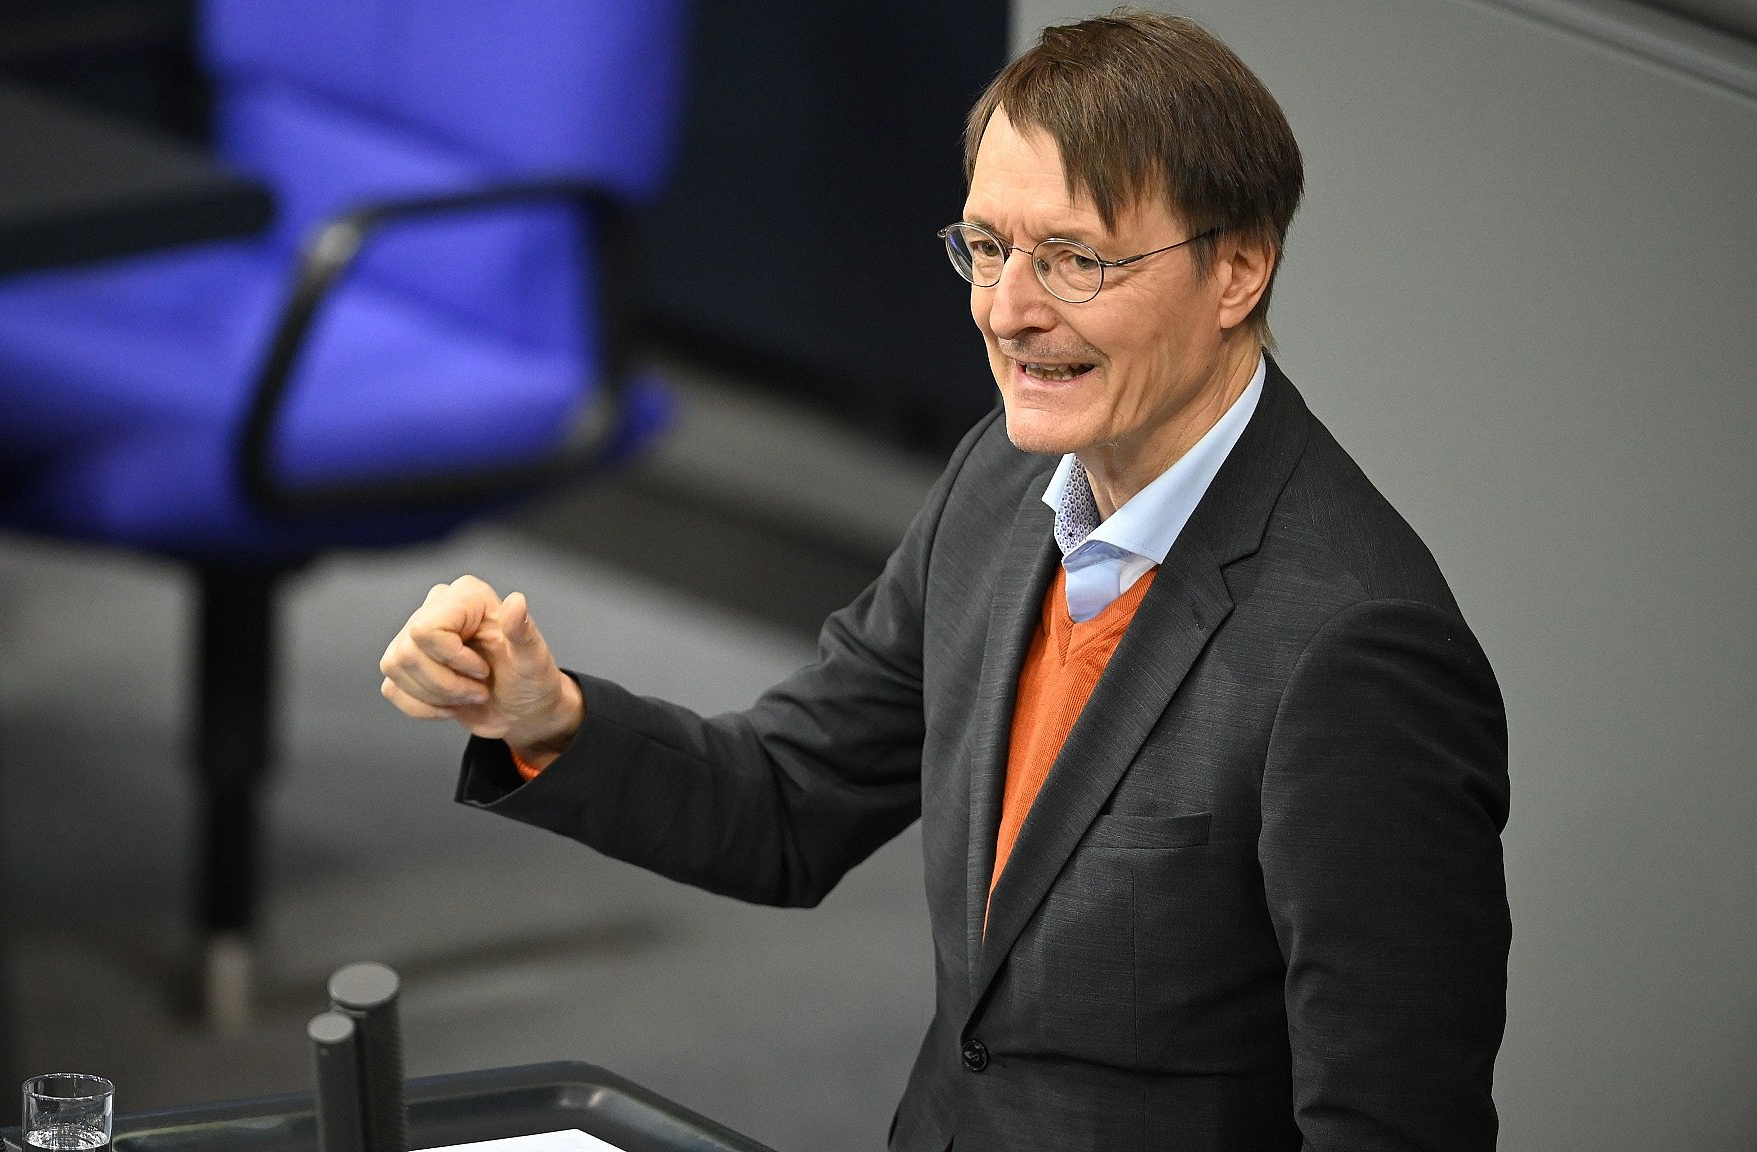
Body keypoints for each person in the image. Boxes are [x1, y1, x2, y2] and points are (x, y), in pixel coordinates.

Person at [377, 10, 1509, 1150]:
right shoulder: (999, 487)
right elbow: (785, 800)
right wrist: (547, 717)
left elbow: (1392, 1130)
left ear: (1236, 270)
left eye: (1073, 258)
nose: (1005, 309)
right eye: (985, 246)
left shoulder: (1356, 652)